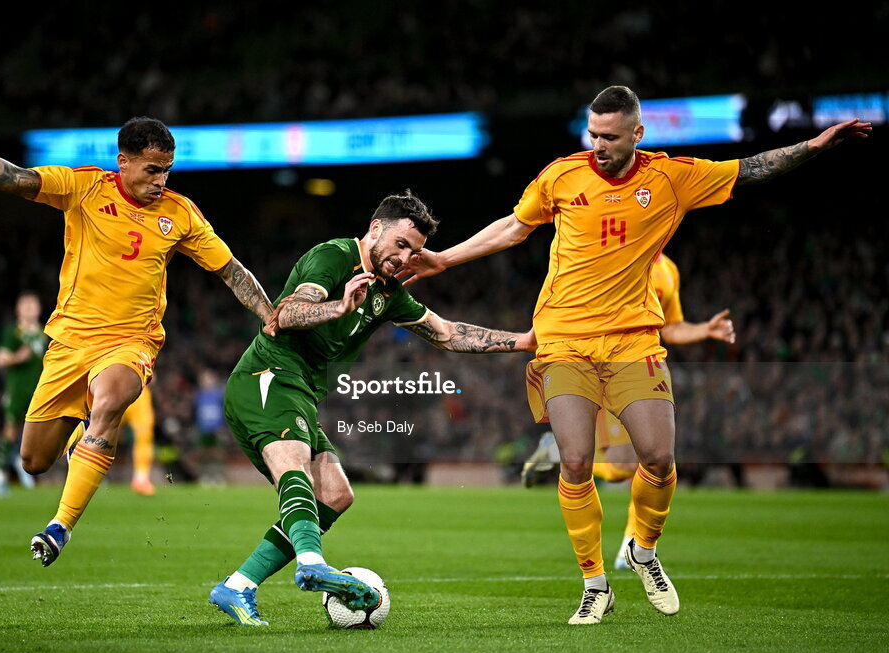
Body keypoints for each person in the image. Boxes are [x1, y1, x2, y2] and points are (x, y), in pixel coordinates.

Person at [398, 86, 870, 624]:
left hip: (633, 341)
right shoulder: (561, 175)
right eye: (592, 134)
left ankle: (643, 550)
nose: (597, 145)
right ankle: (595, 583)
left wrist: (814, 145)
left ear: (637, 135)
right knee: (575, 461)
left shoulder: (671, 178)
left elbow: (750, 168)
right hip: (564, 340)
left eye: (609, 137)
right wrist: (444, 260)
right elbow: (514, 226)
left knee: (659, 459)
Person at [0, 116, 274, 566]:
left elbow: (231, 270)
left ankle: (60, 526)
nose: (161, 181)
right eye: (152, 170)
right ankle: (87, 434)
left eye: (167, 170)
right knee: (34, 462)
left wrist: (269, 314)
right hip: (69, 343)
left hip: (132, 341)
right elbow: (14, 178)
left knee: (112, 400)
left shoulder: (181, 214)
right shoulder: (85, 188)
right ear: (124, 162)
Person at [210, 190, 536, 626]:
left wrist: (525, 342)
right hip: (266, 379)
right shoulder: (333, 257)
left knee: (336, 494)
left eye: (415, 252)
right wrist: (340, 305)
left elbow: (447, 334)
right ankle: (311, 562)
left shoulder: (388, 292)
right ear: (376, 229)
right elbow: (284, 316)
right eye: (401, 245)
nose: (405, 258)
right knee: (295, 468)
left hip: (301, 392)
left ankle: (237, 587)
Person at [521, 252, 736, 571]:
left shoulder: (668, 270)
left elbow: (671, 327)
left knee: (642, 463)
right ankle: (559, 453)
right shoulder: (611, 253)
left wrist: (704, 330)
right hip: (600, 366)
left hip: (638, 369)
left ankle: (630, 547)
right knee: (625, 463)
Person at [0, 292, 47, 497]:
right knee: (10, 430)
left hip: (38, 391)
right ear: (18, 310)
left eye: (33, 305)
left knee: (38, 432)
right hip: (16, 391)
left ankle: (20, 460)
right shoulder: (13, 333)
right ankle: (0, 473)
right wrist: (17, 357)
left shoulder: (43, 333)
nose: (30, 309)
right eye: (26, 305)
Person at [121, 385, 157, 495]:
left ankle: (141, 479)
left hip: (139, 389)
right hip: (112, 386)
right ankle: (82, 473)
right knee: (95, 430)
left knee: (144, 436)